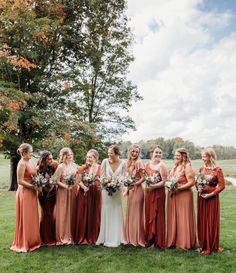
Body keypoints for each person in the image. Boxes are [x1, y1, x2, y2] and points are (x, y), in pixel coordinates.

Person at [10, 143, 41, 252]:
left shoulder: (30, 161)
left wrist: (39, 182)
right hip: (25, 193)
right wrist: (33, 186)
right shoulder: (21, 163)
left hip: (32, 193)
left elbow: (34, 174)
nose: (32, 153)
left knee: (32, 217)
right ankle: (25, 242)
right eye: (30, 152)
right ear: (24, 152)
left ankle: (34, 241)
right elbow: (20, 181)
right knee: (26, 217)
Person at [96, 145, 127, 247]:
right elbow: (102, 176)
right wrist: (107, 182)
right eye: (108, 153)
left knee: (116, 210)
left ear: (117, 153)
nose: (109, 155)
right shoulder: (105, 161)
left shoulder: (123, 163)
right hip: (106, 191)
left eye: (111, 153)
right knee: (107, 210)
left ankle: (117, 237)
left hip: (117, 191)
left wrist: (118, 184)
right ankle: (105, 237)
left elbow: (124, 177)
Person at [166, 148, 196, 250]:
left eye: (178, 156)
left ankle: (184, 243)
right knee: (176, 218)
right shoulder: (175, 166)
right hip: (174, 195)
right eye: (175, 155)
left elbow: (191, 182)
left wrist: (179, 188)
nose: (175, 157)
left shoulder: (187, 167)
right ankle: (175, 240)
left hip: (184, 195)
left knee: (183, 218)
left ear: (183, 156)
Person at [197, 148, 225, 254]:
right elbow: (198, 181)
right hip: (201, 198)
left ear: (210, 157)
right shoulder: (201, 169)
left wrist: (211, 194)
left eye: (204, 156)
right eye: (202, 156)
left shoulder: (217, 170)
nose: (203, 158)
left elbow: (222, 186)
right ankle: (203, 244)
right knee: (202, 220)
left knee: (210, 220)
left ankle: (211, 245)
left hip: (212, 198)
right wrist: (198, 189)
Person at [74, 149, 101, 245]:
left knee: (93, 213)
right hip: (83, 193)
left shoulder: (99, 168)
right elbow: (77, 180)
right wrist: (84, 187)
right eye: (87, 157)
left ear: (95, 158)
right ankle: (82, 236)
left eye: (90, 157)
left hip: (95, 193)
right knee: (83, 213)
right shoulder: (82, 168)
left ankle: (93, 235)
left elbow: (101, 180)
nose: (88, 158)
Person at [53, 147, 78, 245]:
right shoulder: (60, 167)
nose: (70, 157)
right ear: (63, 157)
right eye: (68, 156)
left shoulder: (74, 165)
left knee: (72, 212)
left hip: (72, 191)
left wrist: (75, 184)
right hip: (63, 192)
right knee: (63, 213)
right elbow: (55, 180)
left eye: (71, 155)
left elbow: (78, 177)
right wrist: (66, 186)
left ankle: (71, 234)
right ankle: (63, 236)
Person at [145, 145, 167, 248]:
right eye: (156, 152)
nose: (158, 154)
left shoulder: (162, 165)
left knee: (158, 215)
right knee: (149, 214)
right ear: (152, 153)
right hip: (149, 193)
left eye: (160, 153)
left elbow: (164, 181)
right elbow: (145, 179)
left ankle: (158, 241)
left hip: (159, 193)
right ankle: (149, 239)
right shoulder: (147, 164)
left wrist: (153, 186)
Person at [125, 144, 146, 247]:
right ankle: (129, 237)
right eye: (133, 151)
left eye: (137, 152)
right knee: (130, 213)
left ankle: (137, 238)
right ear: (130, 151)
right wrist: (127, 187)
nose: (134, 153)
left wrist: (134, 184)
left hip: (138, 190)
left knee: (136, 214)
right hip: (131, 191)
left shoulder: (139, 163)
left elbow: (143, 178)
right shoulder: (128, 162)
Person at [37, 151, 58, 246]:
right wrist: (45, 188)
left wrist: (52, 186)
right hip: (43, 195)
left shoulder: (53, 167)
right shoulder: (38, 169)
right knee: (47, 215)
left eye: (52, 158)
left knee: (52, 215)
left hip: (53, 194)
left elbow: (56, 179)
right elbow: (37, 182)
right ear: (44, 159)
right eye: (49, 159)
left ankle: (52, 237)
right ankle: (44, 238)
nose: (51, 160)